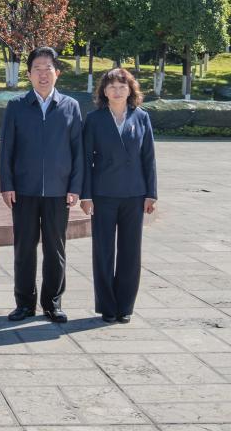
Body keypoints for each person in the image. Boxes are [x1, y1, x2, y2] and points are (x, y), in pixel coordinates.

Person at [0, 46, 84, 324]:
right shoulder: (17, 106)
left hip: (59, 192)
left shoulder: (70, 106)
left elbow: (78, 150)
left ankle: (52, 303)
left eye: (48, 69)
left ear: (57, 73)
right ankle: (24, 304)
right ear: (29, 74)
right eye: (37, 69)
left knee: (55, 249)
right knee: (24, 249)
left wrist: (75, 187)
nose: (43, 74)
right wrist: (7, 185)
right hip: (24, 191)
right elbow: (6, 149)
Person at [80, 68, 157, 324]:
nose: (116, 91)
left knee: (130, 252)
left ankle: (125, 306)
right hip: (103, 194)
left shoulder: (141, 117)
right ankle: (107, 307)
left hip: (134, 194)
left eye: (122, 86)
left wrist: (151, 193)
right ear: (104, 91)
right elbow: (85, 160)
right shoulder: (94, 119)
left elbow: (148, 158)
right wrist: (86, 195)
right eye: (111, 86)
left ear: (130, 90)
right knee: (103, 251)